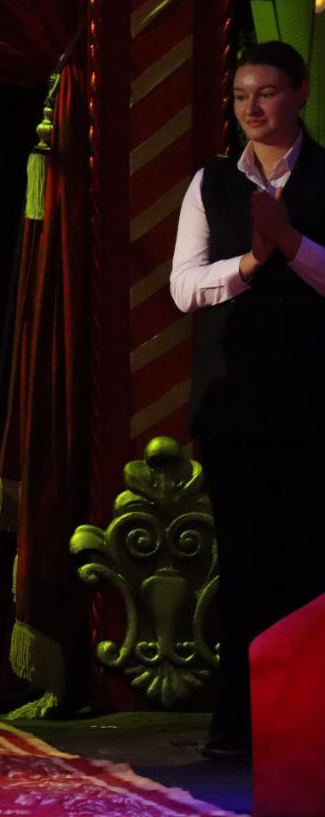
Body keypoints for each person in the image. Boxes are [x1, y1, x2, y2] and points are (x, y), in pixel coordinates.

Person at [169, 40, 325, 759]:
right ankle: (238, 726)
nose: (252, 109)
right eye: (240, 96)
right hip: (234, 403)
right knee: (244, 566)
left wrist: (292, 243)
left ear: (301, 92)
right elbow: (184, 286)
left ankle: (305, 727)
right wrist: (252, 262)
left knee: (308, 563)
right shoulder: (210, 182)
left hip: (313, 399)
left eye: (266, 93)